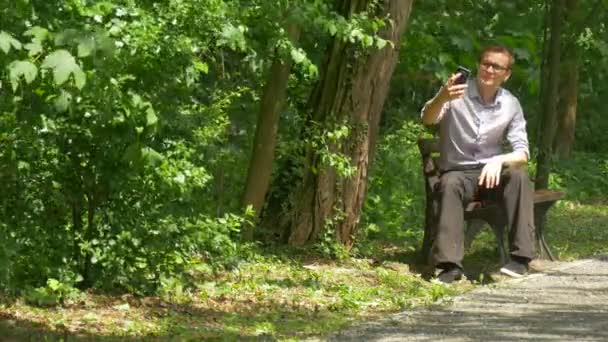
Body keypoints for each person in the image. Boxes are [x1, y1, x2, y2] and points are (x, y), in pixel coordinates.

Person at [420, 45, 535, 284]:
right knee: (449, 183)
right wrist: (442, 96)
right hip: (458, 173)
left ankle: (520, 259)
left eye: (497, 66)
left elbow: (523, 152)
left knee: (519, 177)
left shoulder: (510, 104)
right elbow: (427, 119)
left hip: (490, 174)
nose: (489, 69)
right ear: (478, 65)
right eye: (486, 63)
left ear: (507, 74)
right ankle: (450, 266)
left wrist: (498, 159)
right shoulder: (455, 93)